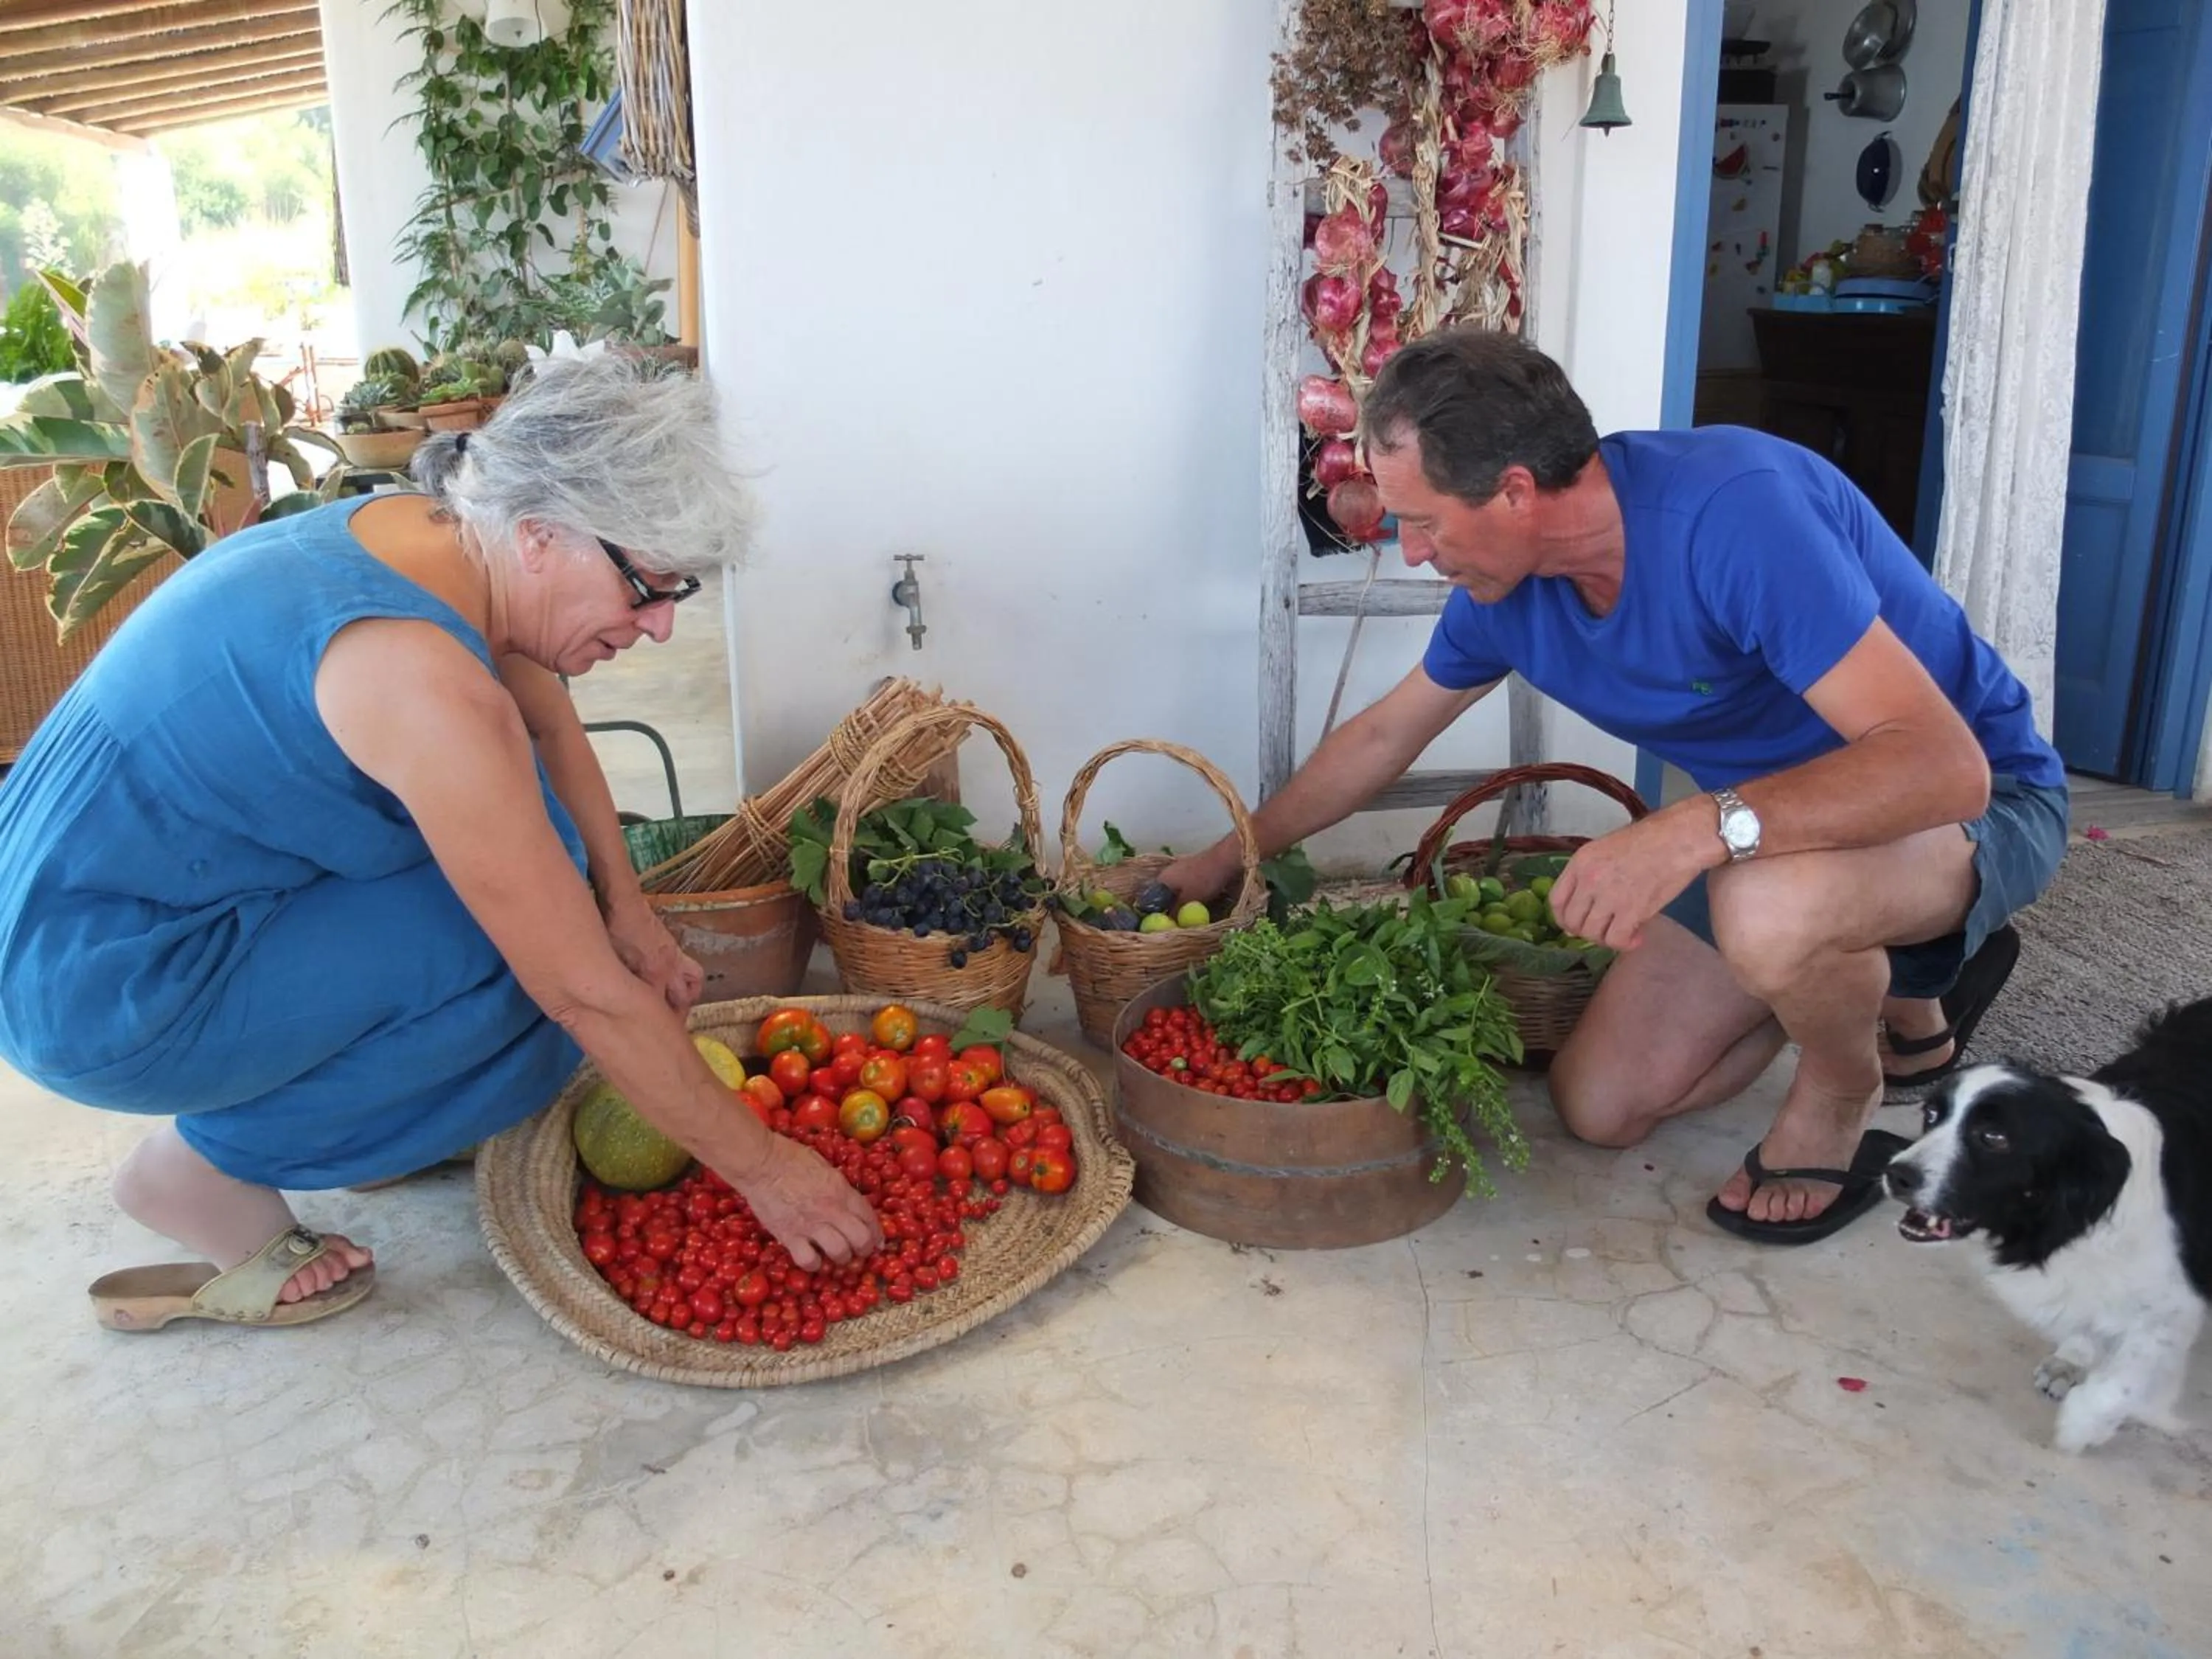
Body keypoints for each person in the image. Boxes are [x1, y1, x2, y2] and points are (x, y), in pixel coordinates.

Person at [0, 355, 881, 1329]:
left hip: (105, 893)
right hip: (96, 983)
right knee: (529, 981)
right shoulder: (420, 678)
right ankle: (202, 1168)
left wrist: (631, 911)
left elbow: (549, 725)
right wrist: (765, 1167)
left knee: (549, 868)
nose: (661, 627)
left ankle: (343, 1088)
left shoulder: (439, 538)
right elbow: (578, 988)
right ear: (543, 536)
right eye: (646, 587)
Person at [1163, 327, 2067, 1245]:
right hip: (1771, 835)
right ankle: (1911, 981)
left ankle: (1843, 1083)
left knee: (1768, 913)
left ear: (1515, 491)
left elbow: (1945, 769)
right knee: (1599, 1105)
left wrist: (1685, 833)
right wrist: (1224, 859)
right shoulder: (1503, 597)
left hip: (1975, 808)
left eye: (1424, 520)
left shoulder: (1733, 514)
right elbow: (1383, 736)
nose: (1412, 553)